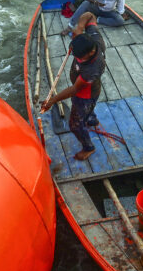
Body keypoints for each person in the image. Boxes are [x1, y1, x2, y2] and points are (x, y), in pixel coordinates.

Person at [42, 12, 106, 161]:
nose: (76, 58)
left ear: (91, 52)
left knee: (75, 125)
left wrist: (53, 100)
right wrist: (79, 27)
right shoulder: (92, 38)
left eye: (79, 58)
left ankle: (88, 147)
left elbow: (75, 89)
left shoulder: (92, 69)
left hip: (85, 95)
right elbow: (90, 15)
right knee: (88, 111)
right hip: (92, 89)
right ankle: (91, 119)